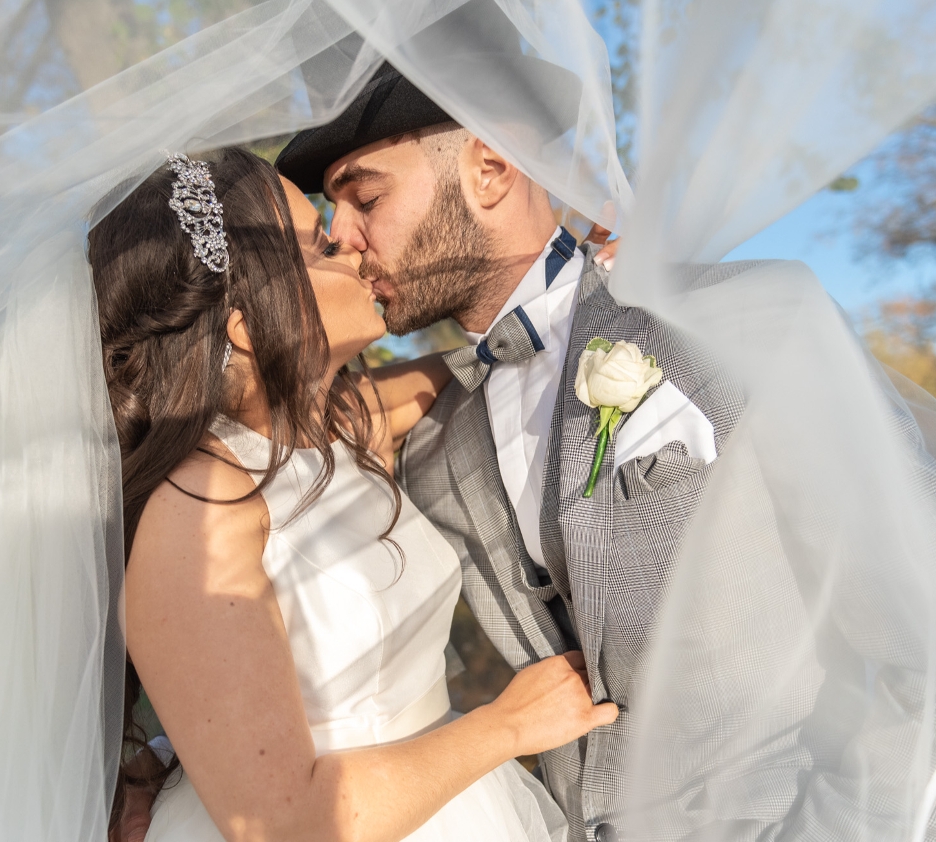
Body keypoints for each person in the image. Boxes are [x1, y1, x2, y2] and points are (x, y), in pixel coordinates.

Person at [269, 65, 936, 842]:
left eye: (365, 197)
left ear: (489, 168)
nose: (341, 236)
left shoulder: (741, 325)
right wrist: (158, 754)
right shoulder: (433, 450)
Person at [90, 146, 619, 842]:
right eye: (315, 238)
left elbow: (496, 351)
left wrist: (591, 273)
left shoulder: (336, 429)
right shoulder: (199, 504)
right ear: (245, 322)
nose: (345, 240)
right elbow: (280, 824)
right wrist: (511, 723)